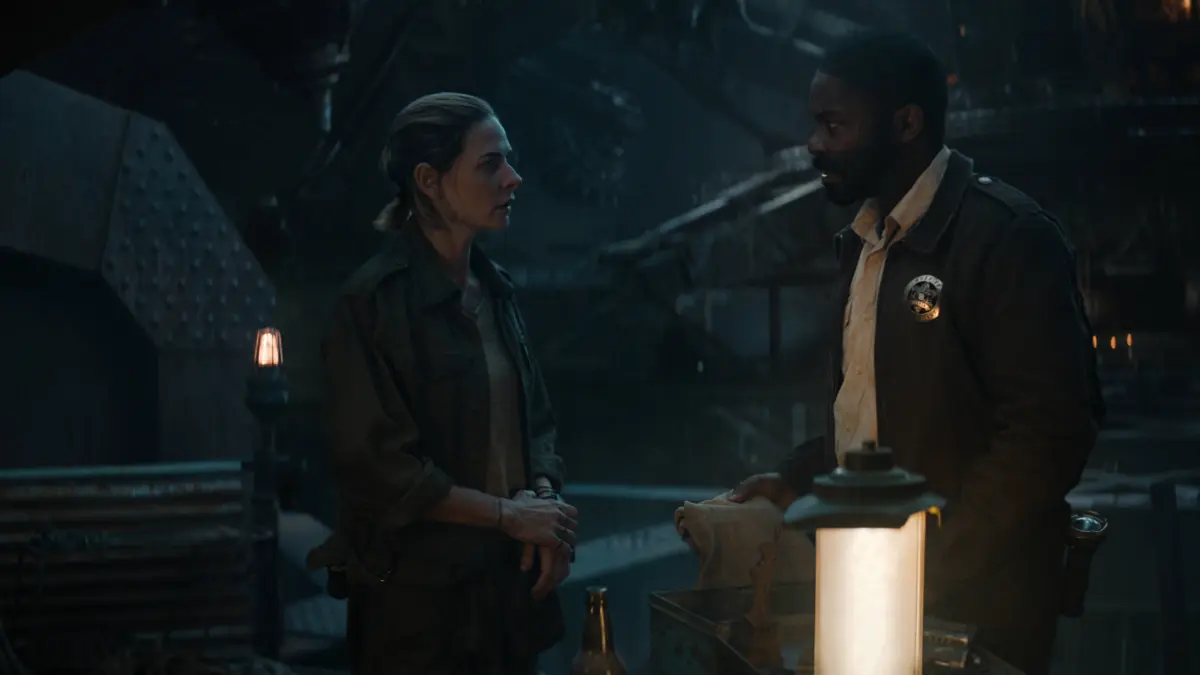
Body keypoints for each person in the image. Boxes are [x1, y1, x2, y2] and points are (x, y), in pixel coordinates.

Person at [729, 30, 1103, 675]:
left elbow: (1051, 432)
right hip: (873, 593)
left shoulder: (1008, 238)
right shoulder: (866, 241)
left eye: (834, 125)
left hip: (978, 613)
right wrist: (798, 478)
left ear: (906, 124)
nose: (814, 143)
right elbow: (873, 412)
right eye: (815, 124)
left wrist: (935, 561)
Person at [307, 92, 578, 675]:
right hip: (420, 612)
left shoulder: (496, 291)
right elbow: (378, 468)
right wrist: (508, 516)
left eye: (508, 160)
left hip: (508, 595)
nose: (512, 177)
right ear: (429, 181)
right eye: (489, 164)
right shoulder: (373, 305)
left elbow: (536, 422)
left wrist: (544, 507)